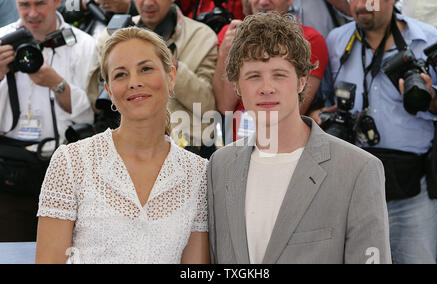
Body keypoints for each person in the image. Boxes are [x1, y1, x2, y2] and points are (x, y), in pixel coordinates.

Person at [207, 12, 391, 264]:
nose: (266, 87)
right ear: (237, 86)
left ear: (302, 81)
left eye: (279, 75)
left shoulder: (358, 170)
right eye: (254, 75)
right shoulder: (219, 165)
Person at [35, 27, 210, 264]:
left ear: (171, 77)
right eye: (120, 74)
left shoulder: (198, 173)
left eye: (146, 69)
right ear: (108, 90)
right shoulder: (71, 161)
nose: (134, 82)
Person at [321, 0, 437, 263]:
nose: (361, 4)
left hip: (413, 194)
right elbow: (323, 101)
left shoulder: (427, 40)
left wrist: (431, 97)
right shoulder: (336, 41)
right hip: (353, 192)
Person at [0, 0, 97, 242]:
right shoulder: (2, 40)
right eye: (24, 4)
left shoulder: (84, 44)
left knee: (61, 250)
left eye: (40, 3)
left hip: (65, 169)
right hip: (9, 169)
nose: (32, 13)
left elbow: (91, 114)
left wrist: (58, 84)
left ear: (58, 1)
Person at [95, 0, 218, 159]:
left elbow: (208, 106)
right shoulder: (109, 37)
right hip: (124, 149)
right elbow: (96, 102)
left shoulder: (202, 36)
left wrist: (172, 66)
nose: (148, 3)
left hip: (190, 149)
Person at [214, 0, 329, 142]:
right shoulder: (229, 34)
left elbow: (293, 110)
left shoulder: (310, 38)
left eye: (279, 75)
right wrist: (226, 53)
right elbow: (225, 106)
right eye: (254, 76)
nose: (263, 2)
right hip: (234, 142)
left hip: (281, 140)